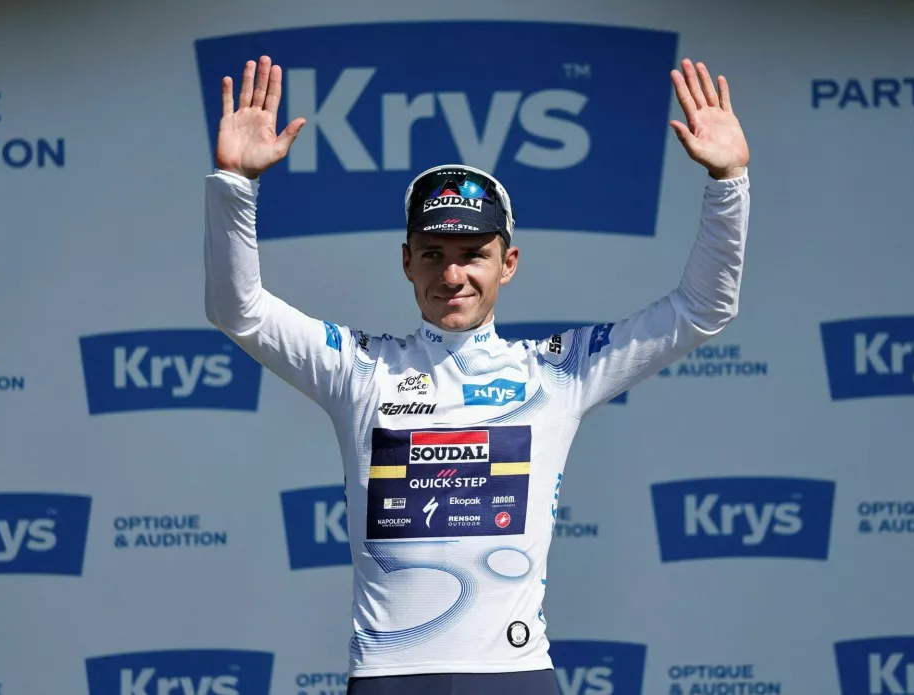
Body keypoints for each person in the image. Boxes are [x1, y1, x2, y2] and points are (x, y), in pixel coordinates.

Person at [204, 55, 750, 695]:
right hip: (389, 678)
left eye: (473, 256)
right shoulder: (360, 368)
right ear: (407, 262)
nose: (452, 275)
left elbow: (703, 308)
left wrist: (728, 181)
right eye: (433, 254)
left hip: (515, 676)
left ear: (508, 262)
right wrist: (234, 185)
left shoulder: (557, 371)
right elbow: (238, 310)